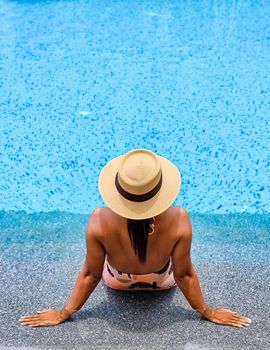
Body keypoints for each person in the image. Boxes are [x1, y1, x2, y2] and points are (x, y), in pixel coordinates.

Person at [19, 149, 252, 328]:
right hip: (162, 282)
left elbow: (91, 274)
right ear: (160, 191)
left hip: (118, 282)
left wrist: (64, 312)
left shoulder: (99, 220)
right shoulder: (180, 219)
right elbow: (184, 274)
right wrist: (207, 311)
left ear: (119, 190)